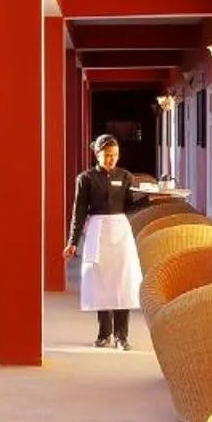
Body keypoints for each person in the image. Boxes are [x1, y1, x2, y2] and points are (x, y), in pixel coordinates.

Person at [64, 134, 145, 349]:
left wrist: (149, 200)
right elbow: (79, 213)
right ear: (97, 154)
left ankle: (122, 336)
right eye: (107, 155)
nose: (111, 159)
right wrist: (72, 242)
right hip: (97, 231)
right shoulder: (86, 179)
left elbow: (130, 207)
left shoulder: (125, 177)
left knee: (122, 282)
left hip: (120, 231)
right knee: (101, 282)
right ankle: (104, 334)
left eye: (115, 155)